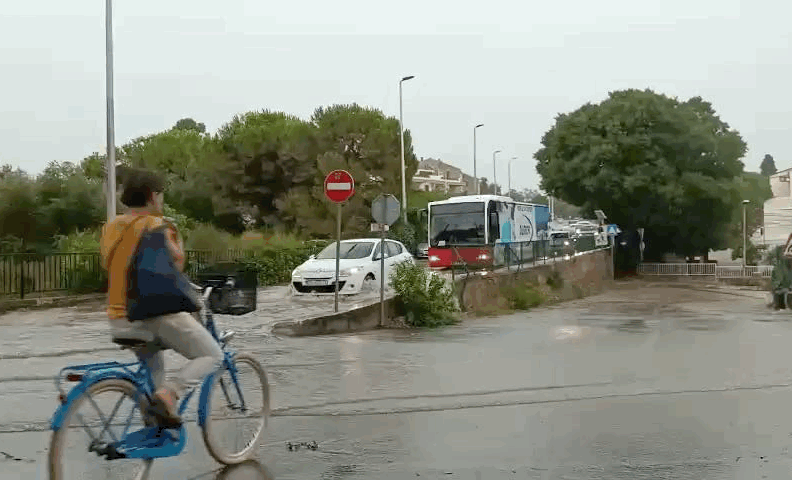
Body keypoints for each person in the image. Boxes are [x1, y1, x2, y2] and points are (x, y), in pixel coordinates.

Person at [100, 168, 223, 428]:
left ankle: (155, 425)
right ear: (153, 196)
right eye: (160, 195)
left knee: (154, 365)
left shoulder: (111, 227)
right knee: (212, 355)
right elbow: (175, 265)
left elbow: (110, 264)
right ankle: (170, 393)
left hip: (119, 317)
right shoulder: (160, 226)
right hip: (153, 313)